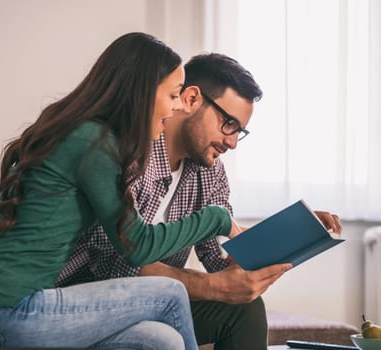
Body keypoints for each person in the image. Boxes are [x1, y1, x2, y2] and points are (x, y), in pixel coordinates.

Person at [0, 33, 291, 350]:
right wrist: (216, 220)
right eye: (173, 95)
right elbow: (134, 247)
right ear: (144, 91)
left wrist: (283, 240)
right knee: (170, 293)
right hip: (7, 310)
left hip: (7, 309)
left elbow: (218, 258)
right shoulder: (98, 145)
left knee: (162, 340)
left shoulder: (96, 140)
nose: (176, 107)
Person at [57, 53, 342, 350]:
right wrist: (212, 287)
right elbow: (113, 265)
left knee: (245, 309)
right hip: (85, 299)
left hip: (155, 304)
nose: (232, 142)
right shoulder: (126, 153)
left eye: (239, 131)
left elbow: (220, 258)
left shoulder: (210, 173)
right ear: (192, 99)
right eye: (228, 123)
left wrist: (290, 234)